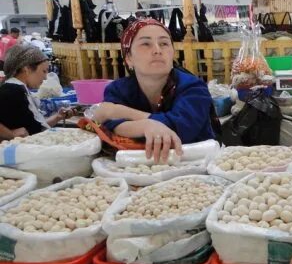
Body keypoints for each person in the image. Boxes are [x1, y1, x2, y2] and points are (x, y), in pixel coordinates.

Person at [92, 18, 215, 163]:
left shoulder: (193, 87)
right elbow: (107, 126)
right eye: (146, 44)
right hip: (137, 168)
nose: (157, 50)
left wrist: (120, 112)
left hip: (195, 166)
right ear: (129, 58)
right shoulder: (118, 90)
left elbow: (179, 130)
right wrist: (146, 126)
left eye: (164, 43)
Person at [0, 45, 72, 137]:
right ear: (26, 69)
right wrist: (11, 134)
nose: (46, 77)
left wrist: (58, 117)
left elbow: (35, 128)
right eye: (44, 71)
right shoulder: (11, 91)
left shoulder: (20, 89)